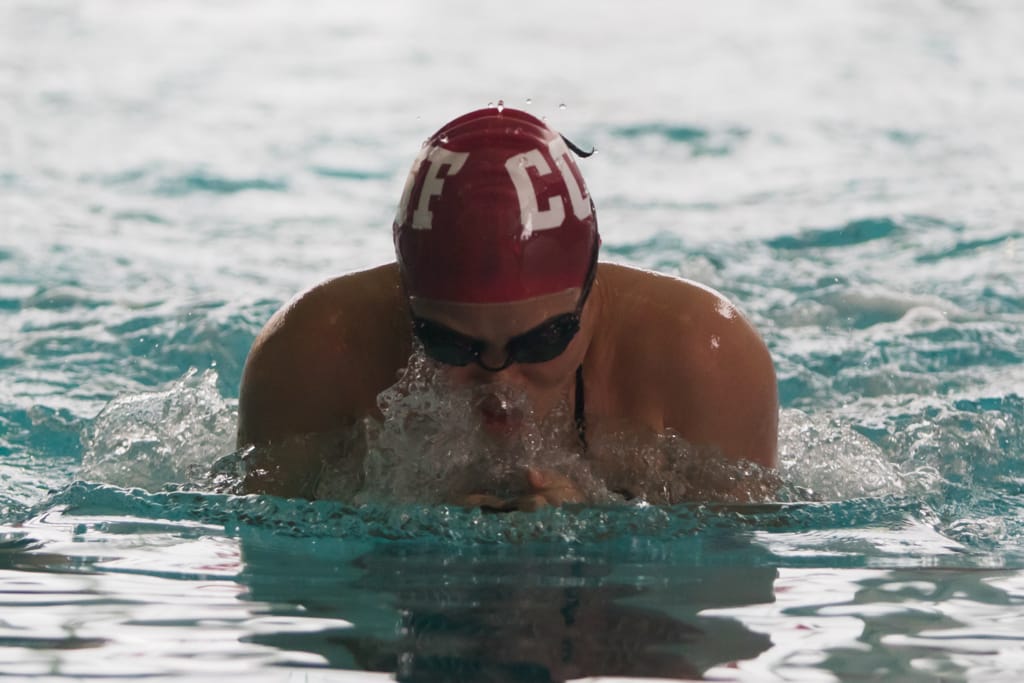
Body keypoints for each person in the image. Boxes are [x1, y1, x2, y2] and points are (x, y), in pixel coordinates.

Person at [235, 106, 778, 508]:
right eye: (451, 343)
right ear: (405, 300)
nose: (501, 382)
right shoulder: (310, 350)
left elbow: (734, 567)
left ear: (592, 288)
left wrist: (595, 533)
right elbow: (271, 557)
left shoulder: (703, 355)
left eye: (542, 341)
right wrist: (408, 531)